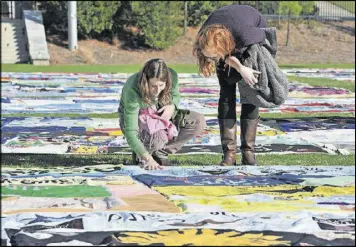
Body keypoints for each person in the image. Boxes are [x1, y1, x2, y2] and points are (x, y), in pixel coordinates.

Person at [193, 4, 270, 166]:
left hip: (252, 38)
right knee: (226, 96)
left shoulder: (246, 34)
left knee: (250, 95)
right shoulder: (204, 36)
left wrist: (246, 68)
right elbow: (223, 57)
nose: (212, 61)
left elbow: (267, 37)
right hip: (228, 40)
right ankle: (229, 153)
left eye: (214, 57)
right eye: (210, 58)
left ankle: (248, 152)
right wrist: (238, 67)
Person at [118, 58, 206, 170]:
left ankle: (160, 152)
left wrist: (172, 106)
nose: (157, 90)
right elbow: (130, 131)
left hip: (161, 114)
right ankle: (143, 154)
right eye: (153, 86)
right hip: (141, 119)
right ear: (146, 81)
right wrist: (148, 159)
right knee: (157, 138)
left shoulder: (172, 76)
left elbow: (175, 96)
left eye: (161, 85)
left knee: (198, 121)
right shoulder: (133, 89)